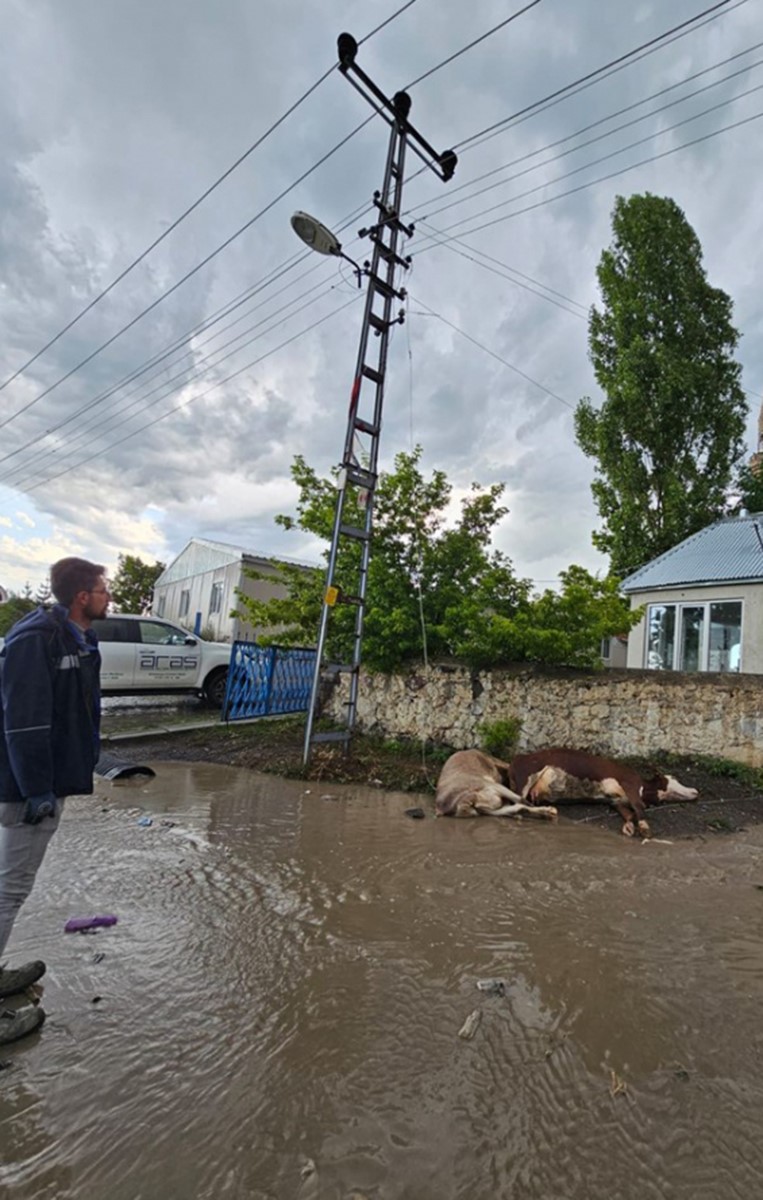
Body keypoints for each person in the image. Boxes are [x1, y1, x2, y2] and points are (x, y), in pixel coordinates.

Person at [0, 557, 108, 1045]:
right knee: (9, 889)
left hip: (45, 782)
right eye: (103, 590)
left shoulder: (73, 638)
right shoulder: (35, 640)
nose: (109, 597)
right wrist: (37, 788)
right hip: (26, 789)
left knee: (8, 885)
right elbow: (23, 722)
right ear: (82, 596)